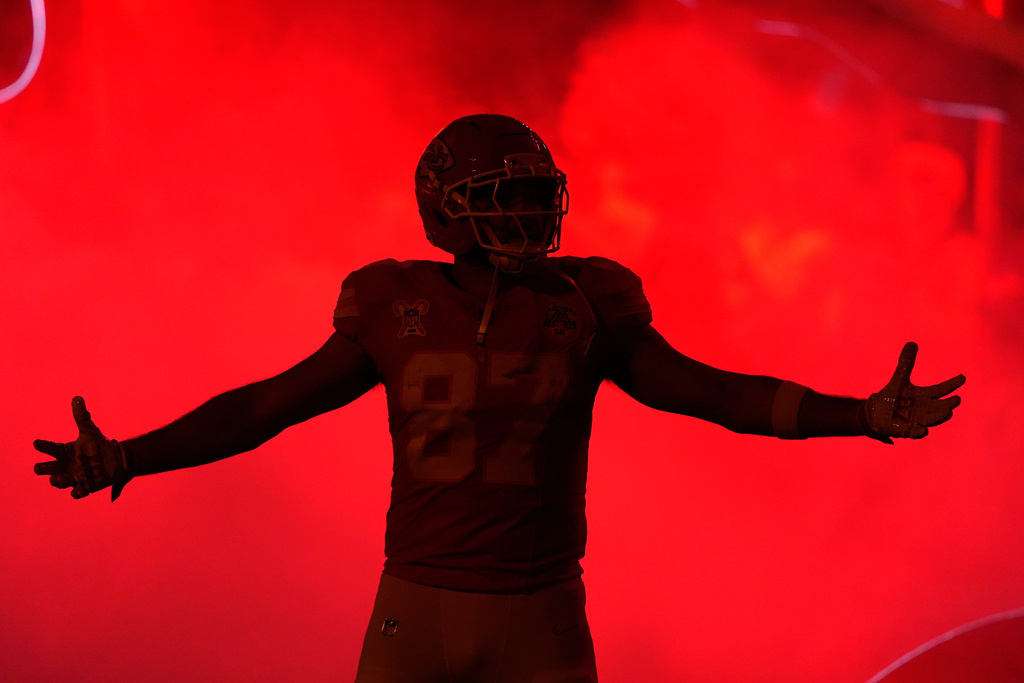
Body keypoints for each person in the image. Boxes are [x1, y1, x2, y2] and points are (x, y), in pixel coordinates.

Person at [33, 114, 965, 683]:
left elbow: (706, 392)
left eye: (532, 192)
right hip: (417, 602)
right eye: (503, 193)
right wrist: (130, 455)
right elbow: (266, 407)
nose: (528, 213)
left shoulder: (588, 300)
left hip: (543, 609)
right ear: (445, 209)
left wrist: (861, 414)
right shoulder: (395, 303)